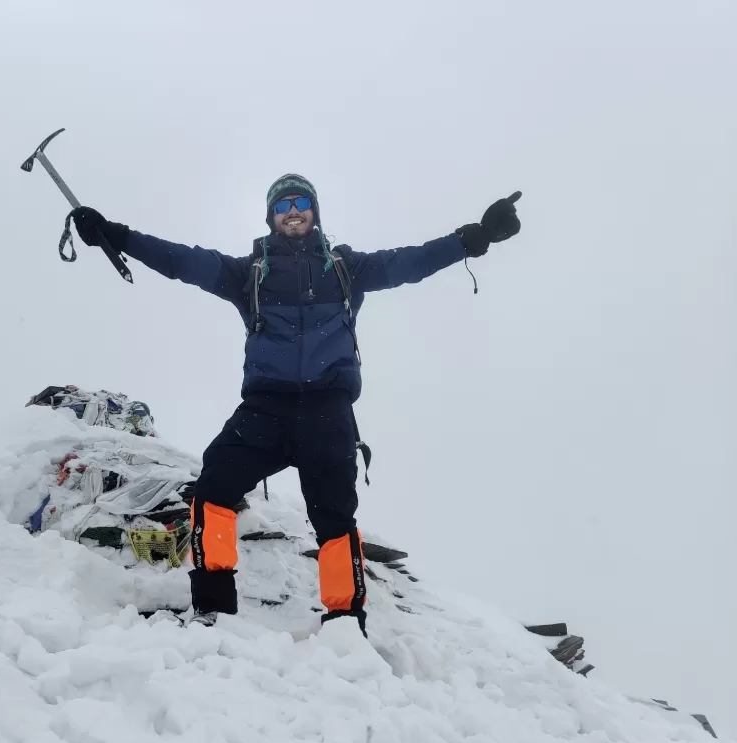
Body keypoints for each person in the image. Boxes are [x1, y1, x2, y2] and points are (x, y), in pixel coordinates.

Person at [70, 174, 522, 635]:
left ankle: (345, 623)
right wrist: (115, 233)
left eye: (301, 201)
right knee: (214, 488)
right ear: (271, 217)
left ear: (314, 211)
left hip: (328, 410)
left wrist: (474, 237)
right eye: (282, 204)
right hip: (266, 409)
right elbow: (181, 260)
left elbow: (411, 262)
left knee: (335, 518)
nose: (292, 210)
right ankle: (213, 607)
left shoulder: (348, 268)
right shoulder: (249, 273)